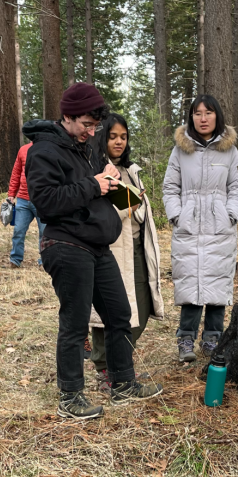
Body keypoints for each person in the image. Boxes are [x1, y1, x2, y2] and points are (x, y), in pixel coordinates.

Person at [24, 82, 163, 418]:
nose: (91, 132)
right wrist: (93, 184)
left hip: (99, 247)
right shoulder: (43, 151)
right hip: (67, 246)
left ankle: (123, 383)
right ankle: (70, 398)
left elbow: (112, 199)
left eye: (94, 126)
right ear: (68, 117)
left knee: (120, 315)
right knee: (74, 323)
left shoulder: (85, 151)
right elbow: (46, 203)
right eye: (86, 124)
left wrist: (118, 188)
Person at [163, 95, 238, 361]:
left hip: (220, 225)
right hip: (189, 226)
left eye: (208, 112)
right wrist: (177, 215)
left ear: (217, 116)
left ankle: (212, 339)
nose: (203, 118)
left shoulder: (229, 150)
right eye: (197, 113)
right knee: (190, 282)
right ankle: (185, 339)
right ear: (191, 117)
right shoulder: (180, 150)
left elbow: (236, 186)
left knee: (218, 284)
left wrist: (230, 214)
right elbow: (170, 187)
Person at [88, 114, 166, 388]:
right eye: (113, 136)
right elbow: (97, 211)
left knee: (140, 309)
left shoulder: (131, 169)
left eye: (123, 137)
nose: (118, 142)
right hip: (112, 249)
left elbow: (140, 211)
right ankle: (105, 369)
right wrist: (127, 206)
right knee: (107, 311)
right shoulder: (96, 168)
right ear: (103, 138)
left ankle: (120, 362)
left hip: (136, 247)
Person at [6, 141, 45, 267]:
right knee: (18, 230)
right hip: (22, 200)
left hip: (41, 200)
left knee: (44, 232)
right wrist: (11, 194)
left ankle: (44, 261)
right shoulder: (23, 150)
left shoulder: (48, 149)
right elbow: (16, 173)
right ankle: (15, 260)